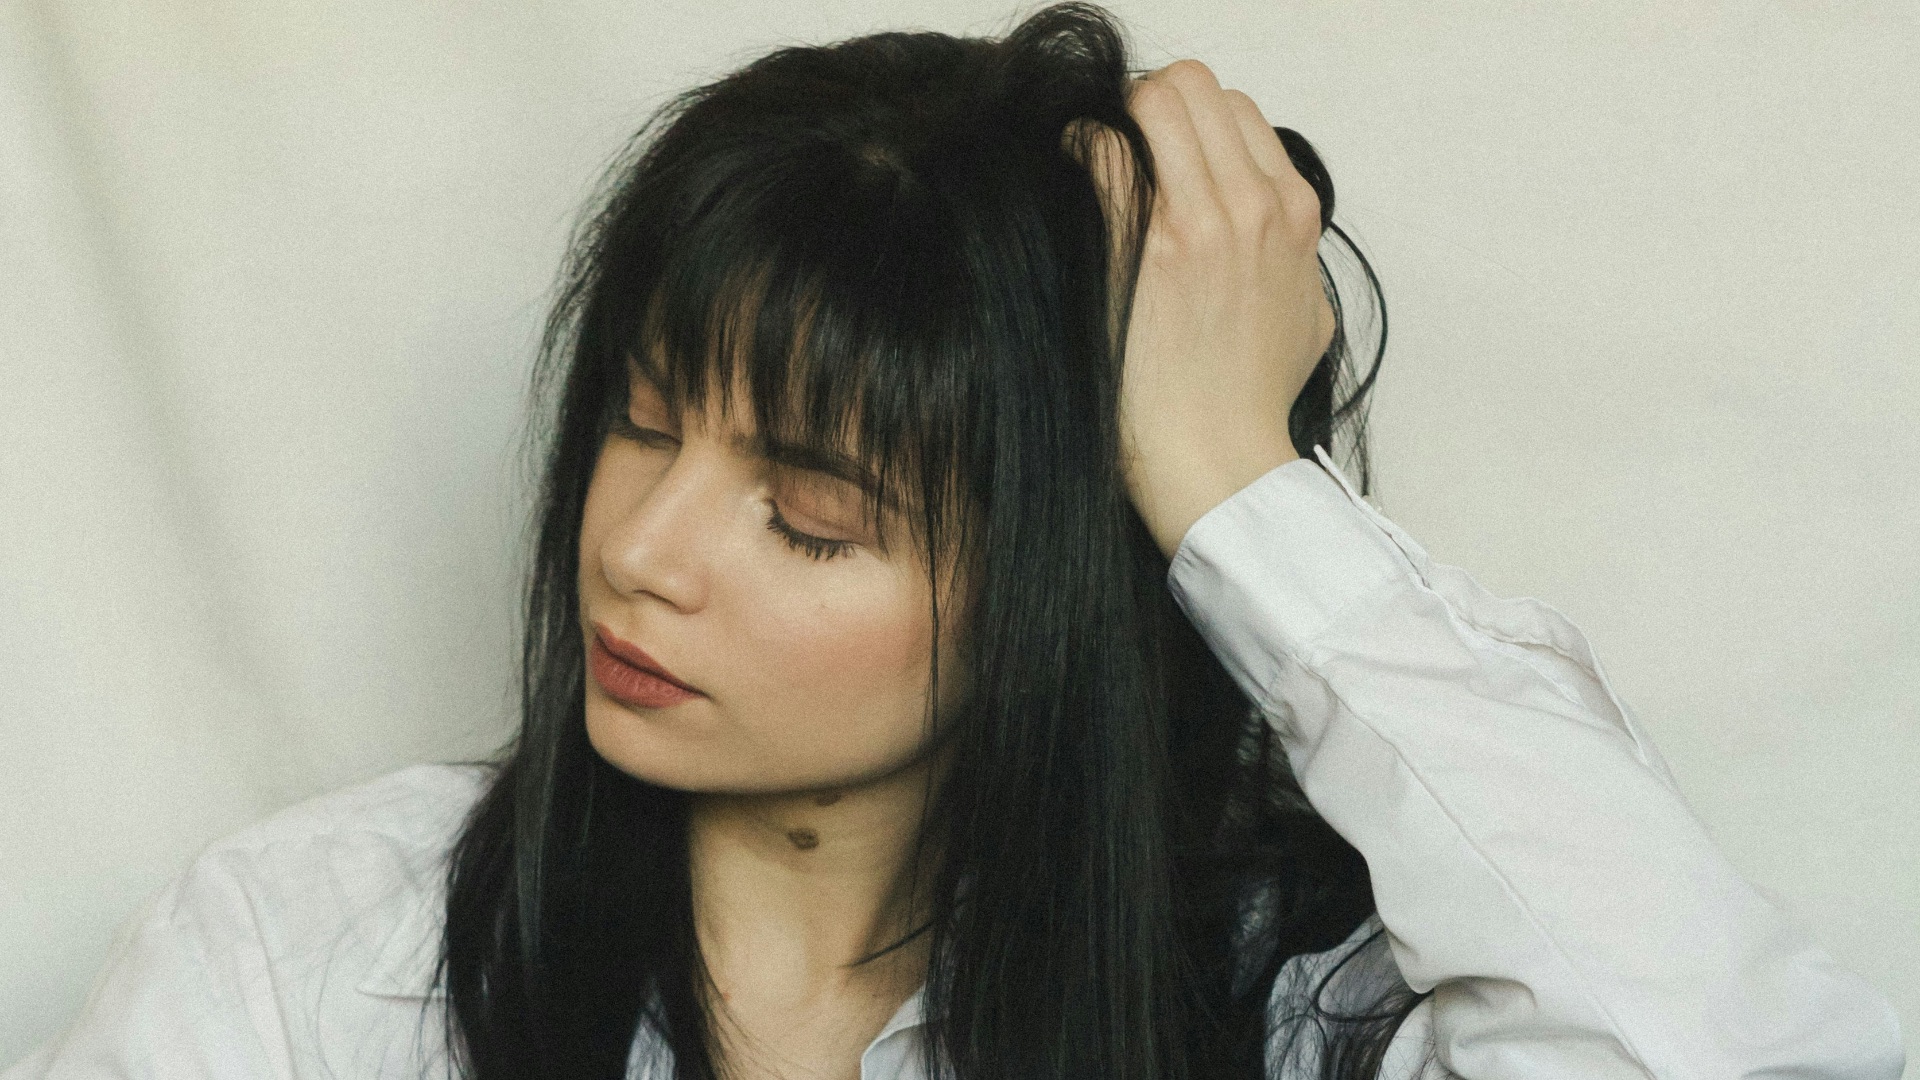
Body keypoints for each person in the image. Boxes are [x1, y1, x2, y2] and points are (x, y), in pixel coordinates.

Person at [6, 4, 1902, 1079]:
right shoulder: (309, 967)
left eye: (810, 517)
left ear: (1076, 564)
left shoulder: (1303, 1007)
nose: (643, 549)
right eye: (641, 422)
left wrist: (1242, 497)